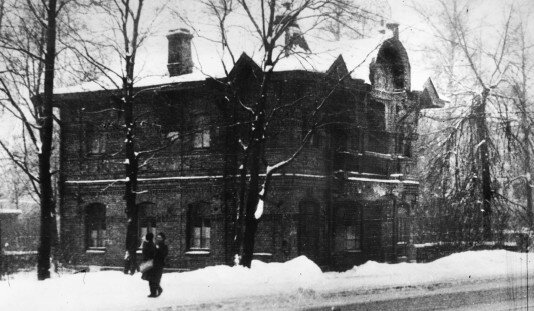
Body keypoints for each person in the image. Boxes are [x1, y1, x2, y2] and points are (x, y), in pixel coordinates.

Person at [152, 232, 169, 297]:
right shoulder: (154, 245)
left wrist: (158, 248)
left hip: (160, 264)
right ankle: (158, 289)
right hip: (153, 264)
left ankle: (158, 290)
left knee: (157, 278)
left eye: (160, 238)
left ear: (163, 239)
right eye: (157, 237)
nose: (158, 239)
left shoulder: (164, 246)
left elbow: (164, 254)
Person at [141, 232, 157, 297]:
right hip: (152, 263)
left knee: (150, 279)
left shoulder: (147, 245)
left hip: (149, 263)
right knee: (151, 279)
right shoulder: (152, 244)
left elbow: (145, 253)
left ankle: (153, 292)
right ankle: (154, 292)